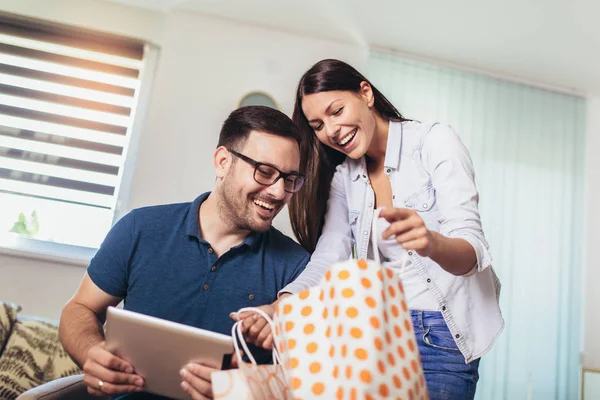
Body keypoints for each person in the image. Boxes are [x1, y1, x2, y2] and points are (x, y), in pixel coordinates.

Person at [240, 59, 503, 400]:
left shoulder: (434, 142)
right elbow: (327, 257)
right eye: (318, 124)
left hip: (441, 335)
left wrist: (431, 243)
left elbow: (472, 252)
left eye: (336, 110)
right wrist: (280, 306)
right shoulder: (344, 178)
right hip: (378, 334)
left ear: (365, 93)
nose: (331, 130)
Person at [59, 106, 310, 400]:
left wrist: (246, 387)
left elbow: (310, 377)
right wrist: (93, 353)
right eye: (265, 172)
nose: (280, 192)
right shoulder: (140, 229)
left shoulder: (298, 270)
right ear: (222, 162)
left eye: (290, 179)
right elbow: (80, 308)